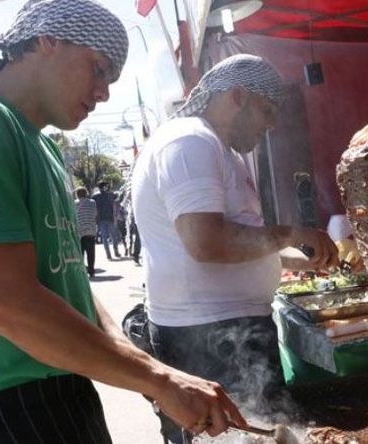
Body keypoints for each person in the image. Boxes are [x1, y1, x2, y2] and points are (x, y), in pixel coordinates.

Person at [0, 1, 246, 442]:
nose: (103, 94)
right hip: (0, 409)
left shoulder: (43, 148)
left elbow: (73, 288)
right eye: (98, 69)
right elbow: (11, 307)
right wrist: (160, 380)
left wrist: (152, 375)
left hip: (67, 389)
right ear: (47, 40)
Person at [132, 54, 340, 442]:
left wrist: (301, 260)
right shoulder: (190, 142)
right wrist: (291, 233)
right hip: (208, 337)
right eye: (267, 110)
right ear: (239, 96)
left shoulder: (218, 148)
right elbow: (206, 242)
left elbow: (239, 242)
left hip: (230, 330)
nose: (272, 124)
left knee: (264, 433)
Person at [92, 180, 121, 259]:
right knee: (114, 236)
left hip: (100, 219)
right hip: (110, 218)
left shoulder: (95, 196)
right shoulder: (110, 194)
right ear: (104, 186)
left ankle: (108, 254)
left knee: (104, 237)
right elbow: (116, 201)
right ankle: (116, 251)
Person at [75, 187, 98, 277]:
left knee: (80, 253)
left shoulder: (74, 204)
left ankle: (81, 271)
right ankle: (91, 271)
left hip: (79, 231)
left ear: (77, 195)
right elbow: (95, 214)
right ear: (86, 193)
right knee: (91, 252)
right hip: (90, 230)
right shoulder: (92, 202)